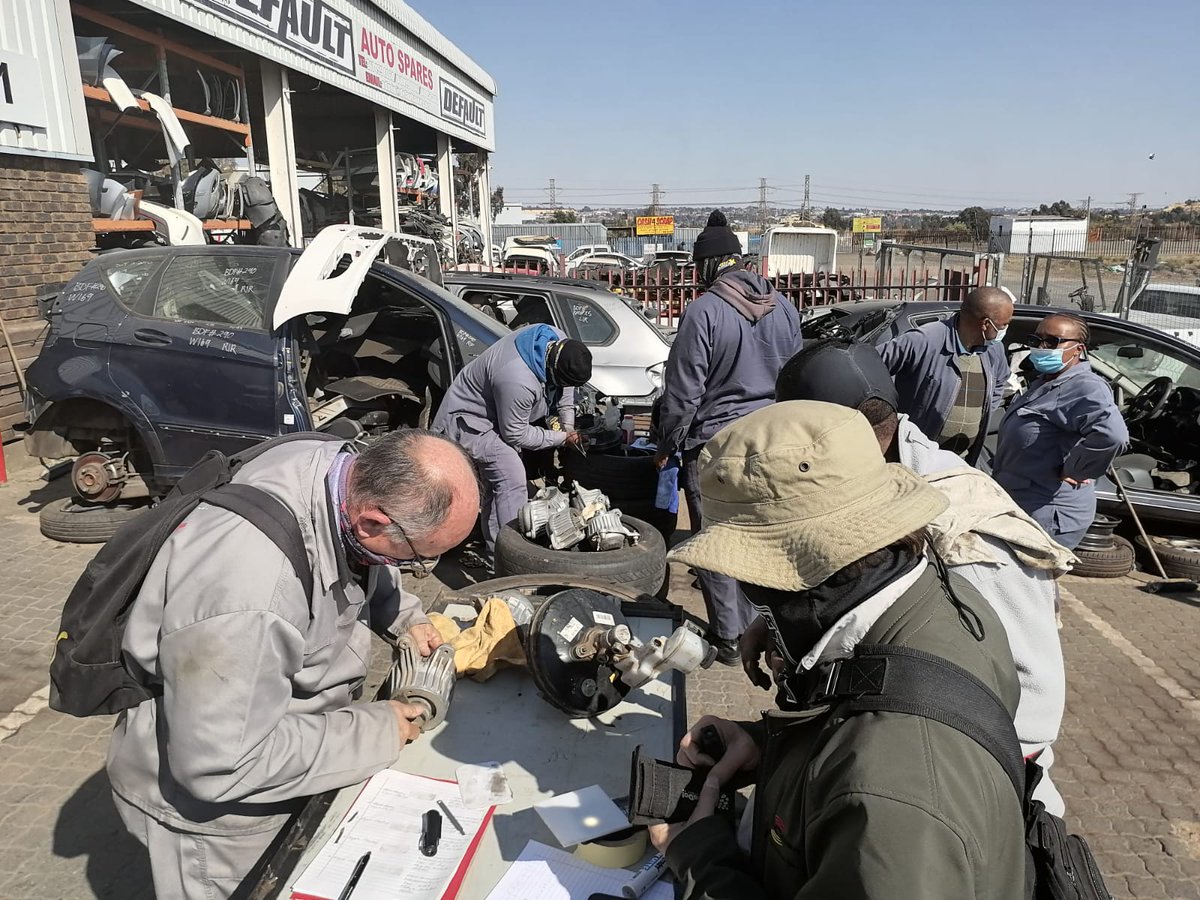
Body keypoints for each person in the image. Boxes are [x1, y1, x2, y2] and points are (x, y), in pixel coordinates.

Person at [651, 402, 1025, 899]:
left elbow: (884, 777)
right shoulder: (937, 596)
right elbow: (873, 704)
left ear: (778, 581)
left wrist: (700, 855)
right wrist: (769, 747)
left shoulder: (889, 803)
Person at [108, 429, 481, 900]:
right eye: (422, 560)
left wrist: (401, 614)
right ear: (371, 522)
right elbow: (220, 763)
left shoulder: (339, 469)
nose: (420, 568)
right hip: (216, 816)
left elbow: (357, 554)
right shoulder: (249, 590)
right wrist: (378, 729)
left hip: (255, 737)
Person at [771, 337, 1072, 813]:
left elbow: (1022, 700)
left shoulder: (963, 533)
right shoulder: (876, 477)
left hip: (971, 782)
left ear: (827, 436)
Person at [654, 210, 801, 663]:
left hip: (717, 448)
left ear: (711, 264)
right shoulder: (785, 307)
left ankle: (729, 638)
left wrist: (666, 444)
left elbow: (683, 393)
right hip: (772, 442)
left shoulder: (704, 312)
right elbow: (796, 375)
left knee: (717, 542)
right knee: (760, 540)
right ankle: (763, 628)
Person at [433, 324, 591, 569]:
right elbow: (516, 434)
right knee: (512, 478)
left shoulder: (558, 342)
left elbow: (566, 390)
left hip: (499, 414)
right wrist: (561, 439)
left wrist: (568, 428)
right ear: (553, 367)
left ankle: (496, 546)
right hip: (471, 420)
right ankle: (511, 558)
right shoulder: (518, 378)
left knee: (499, 488)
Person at [992, 313, 1129, 550]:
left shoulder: (1085, 386)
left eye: (1053, 341)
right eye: (1037, 340)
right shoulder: (1046, 380)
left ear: (1078, 349)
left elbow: (1113, 436)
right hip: (1023, 504)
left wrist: (1076, 468)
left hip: (1048, 512)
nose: (1042, 347)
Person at [879, 286, 1013, 465]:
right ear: (985, 324)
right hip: (915, 459)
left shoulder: (993, 349)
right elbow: (870, 368)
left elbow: (1000, 380)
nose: (1006, 329)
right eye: (1004, 324)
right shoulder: (924, 340)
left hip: (962, 460)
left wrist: (984, 410)